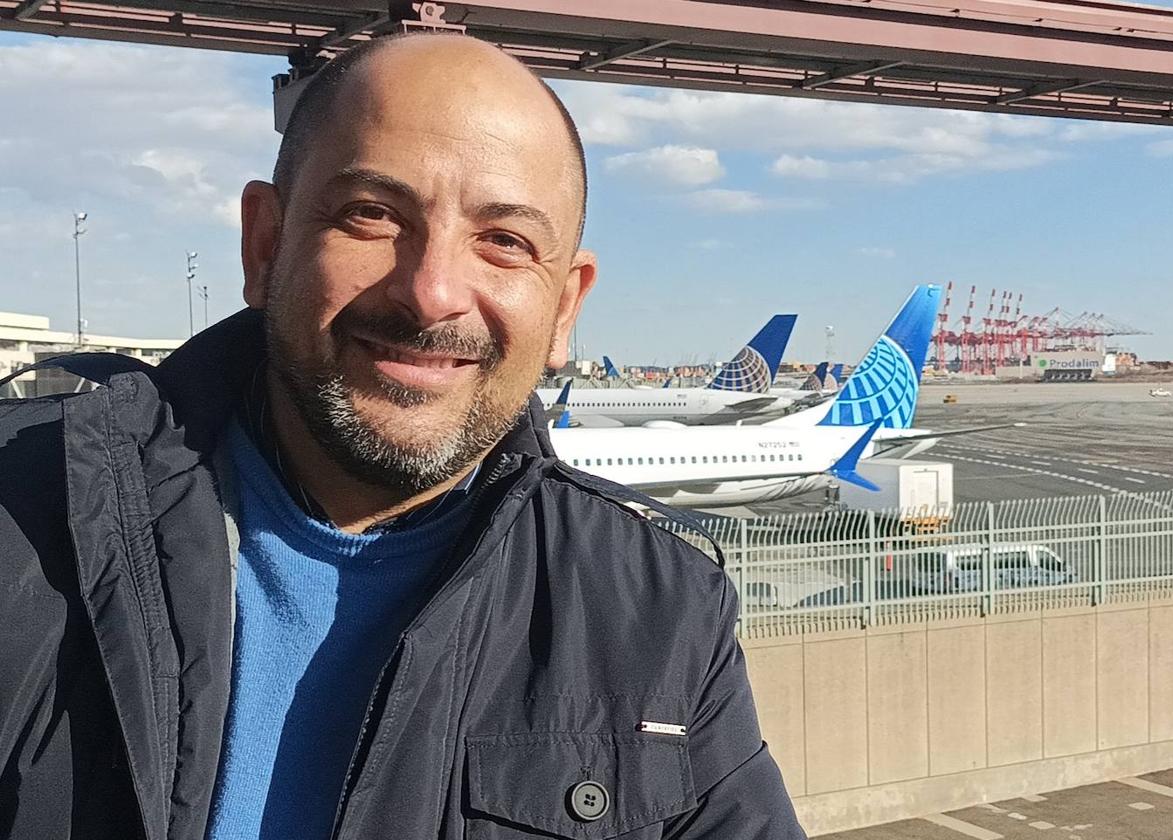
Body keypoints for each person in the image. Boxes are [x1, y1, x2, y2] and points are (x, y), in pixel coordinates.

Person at [0, 34, 805, 840]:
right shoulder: (21, 524)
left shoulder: (660, 611)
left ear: (565, 308)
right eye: (373, 214)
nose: (432, 294)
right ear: (264, 244)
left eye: (505, 241)